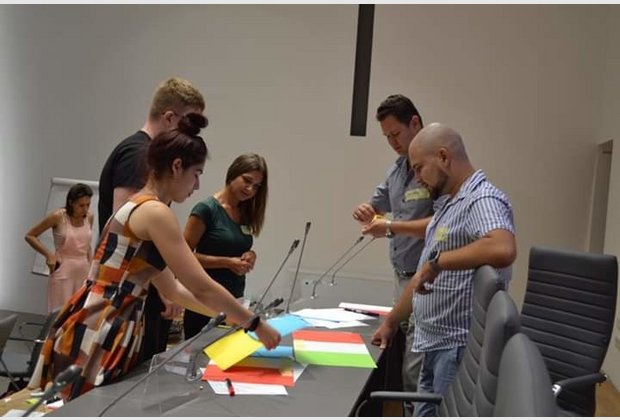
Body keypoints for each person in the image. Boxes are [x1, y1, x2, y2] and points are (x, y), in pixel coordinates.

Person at [29, 113, 281, 400]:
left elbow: (173, 290)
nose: (197, 185)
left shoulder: (141, 206)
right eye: (196, 173)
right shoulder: (155, 212)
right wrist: (254, 323)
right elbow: (200, 285)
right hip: (102, 329)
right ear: (177, 166)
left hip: (100, 324)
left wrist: (230, 319)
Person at [371, 123, 516, 417]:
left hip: (456, 348)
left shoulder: (481, 199)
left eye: (419, 168)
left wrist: (440, 262)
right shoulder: (450, 204)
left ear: (443, 157)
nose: (417, 177)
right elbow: (423, 271)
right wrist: (391, 322)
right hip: (436, 345)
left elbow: (502, 248)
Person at [98, 77, 205, 363]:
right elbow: (128, 239)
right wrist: (168, 289)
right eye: (189, 125)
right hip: (123, 301)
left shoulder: (147, 155)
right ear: (169, 118)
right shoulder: (138, 154)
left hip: (138, 295)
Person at [352, 94, 434, 412]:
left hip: (426, 281)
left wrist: (389, 227)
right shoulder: (398, 169)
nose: (392, 142)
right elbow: (378, 204)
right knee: (404, 365)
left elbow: (440, 224)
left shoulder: (433, 170)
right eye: (387, 136)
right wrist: (367, 210)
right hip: (401, 277)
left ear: (415, 123)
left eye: (396, 134)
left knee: (416, 372)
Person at [183, 153, 268, 339]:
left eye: (256, 186)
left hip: (235, 300)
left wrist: (250, 254)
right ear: (233, 174)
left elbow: (237, 246)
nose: (250, 189)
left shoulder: (245, 212)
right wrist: (227, 262)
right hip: (204, 302)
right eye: (247, 180)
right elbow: (183, 257)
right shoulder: (206, 209)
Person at [25, 183, 94, 312]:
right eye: (81, 205)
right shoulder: (58, 216)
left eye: (88, 205)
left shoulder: (89, 217)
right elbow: (30, 236)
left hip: (84, 270)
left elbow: (87, 245)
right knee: (60, 313)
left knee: (79, 313)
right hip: (63, 270)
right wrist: (48, 254)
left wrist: (92, 270)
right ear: (71, 202)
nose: (85, 209)